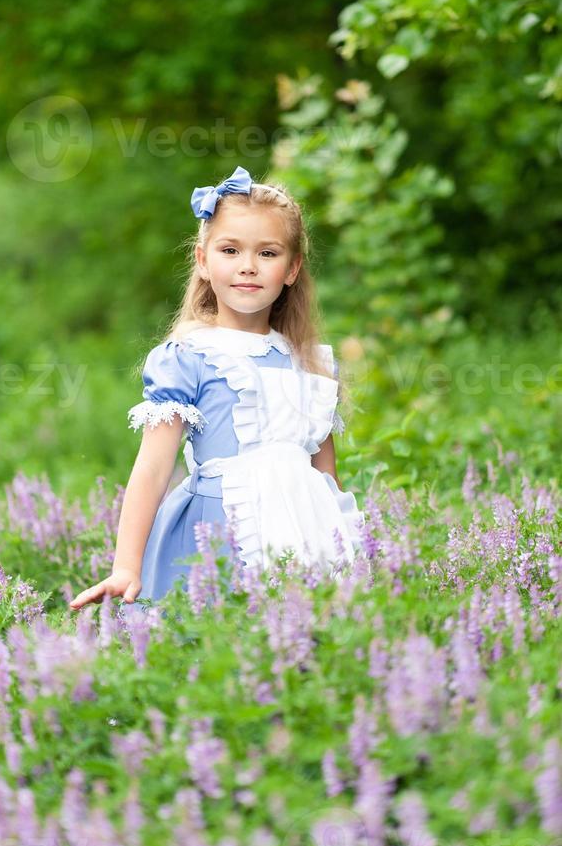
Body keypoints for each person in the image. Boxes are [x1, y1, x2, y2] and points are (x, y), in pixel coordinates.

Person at [69, 165, 365, 614]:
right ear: (204, 261)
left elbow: (326, 475)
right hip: (219, 530)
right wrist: (126, 565)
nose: (248, 266)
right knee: (217, 643)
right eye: (230, 250)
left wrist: (349, 545)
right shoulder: (190, 356)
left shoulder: (312, 362)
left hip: (305, 529)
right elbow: (151, 468)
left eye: (268, 253)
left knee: (304, 646)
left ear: (292, 268)